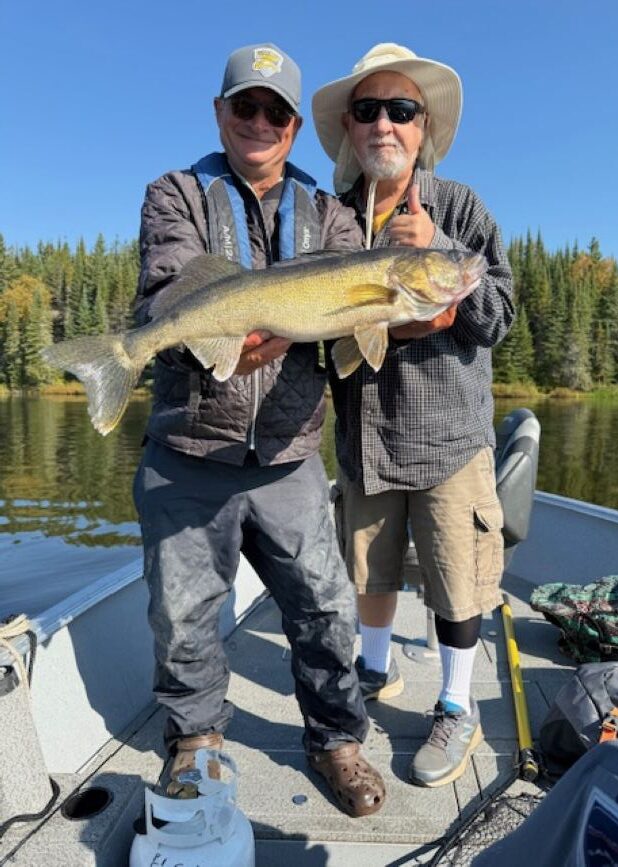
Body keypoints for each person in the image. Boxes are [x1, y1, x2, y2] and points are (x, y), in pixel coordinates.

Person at [132, 43, 385, 818]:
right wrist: (225, 344)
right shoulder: (175, 192)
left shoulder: (333, 214)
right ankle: (196, 739)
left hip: (287, 454)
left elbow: (354, 323)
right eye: (246, 105)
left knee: (325, 606)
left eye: (277, 111)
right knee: (183, 613)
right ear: (221, 112)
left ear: (295, 126)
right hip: (188, 448)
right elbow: (172, 283)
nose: (261, 122)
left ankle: (337, 737)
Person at [312, 43, 515, 787]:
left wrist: (440, 248)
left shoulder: (460, 207)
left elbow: (498, 313)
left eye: (402, 110)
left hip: (451, 441)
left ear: (423, 128)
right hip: (364, 438)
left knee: (455, 578)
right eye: (368, 110)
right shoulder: (330, 221)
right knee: (368, 567)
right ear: (350, 130)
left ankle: (457, 703)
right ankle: (374, 668)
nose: (385, 124)